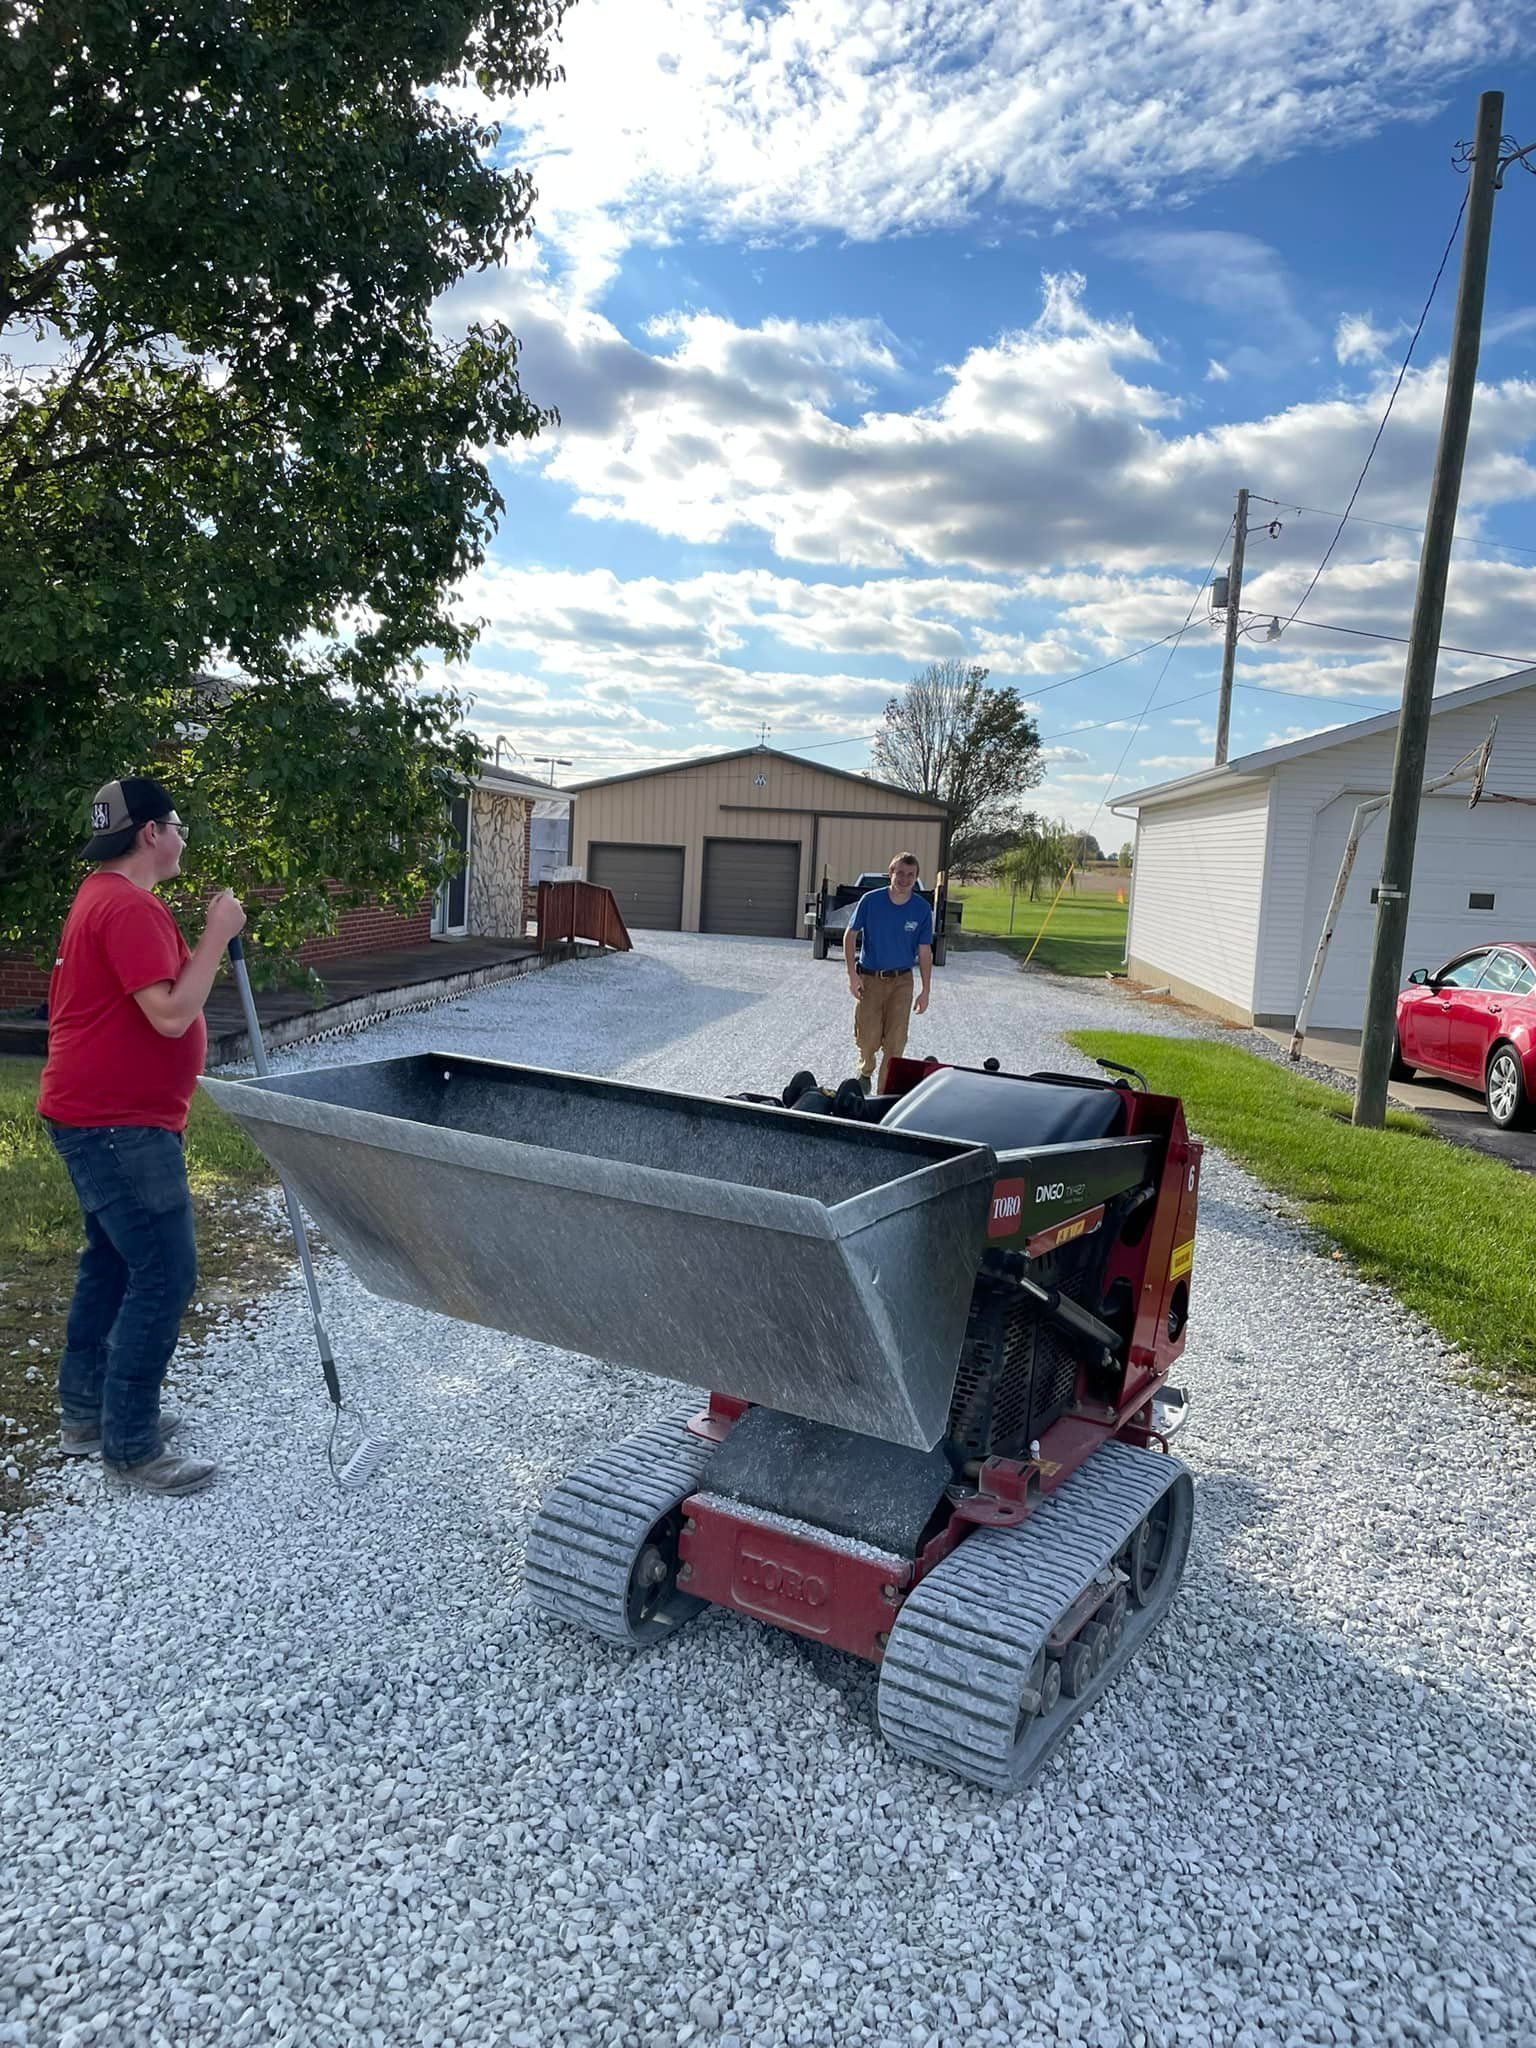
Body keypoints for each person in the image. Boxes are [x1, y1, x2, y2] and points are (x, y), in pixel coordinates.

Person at [36, 777, 247, 1496]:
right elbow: (168, 1013)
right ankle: (131, 1447)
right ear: (150, 832)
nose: (184, 837)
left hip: (103, 1114)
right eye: (177, 824)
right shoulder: (125, 905)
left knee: (114, 1264)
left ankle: (87, 1415)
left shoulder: (105, 896)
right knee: (165, 1272)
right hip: (117, 1122)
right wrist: (218, 934)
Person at [843, 851, 934, 1094]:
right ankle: (865, 1070)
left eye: (910, 875)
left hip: (901, 981)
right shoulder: (871, 901)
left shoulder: (922, 910)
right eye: (900, 873)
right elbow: (850, 935)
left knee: (895, 1042)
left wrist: (926, 990)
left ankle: (883, 1093)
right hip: (870, 977)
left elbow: (924, 952)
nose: (905, 879)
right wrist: (852, 975)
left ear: (916, 878)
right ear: (890, 873)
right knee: (868, 1038)